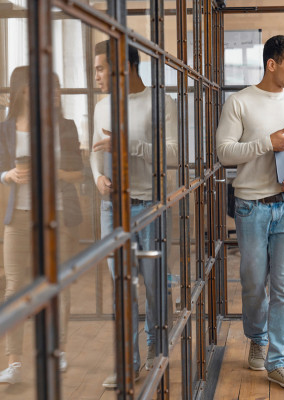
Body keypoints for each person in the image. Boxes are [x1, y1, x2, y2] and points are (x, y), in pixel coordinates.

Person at [216, 35, 284, 389]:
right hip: (250, 208)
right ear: (271, 64)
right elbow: (224, 153)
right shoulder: (240, 102)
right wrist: (266, 144)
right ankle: (257, 340)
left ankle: (277, 360)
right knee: (254, 284)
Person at [90, 40, 178, 388]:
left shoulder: (160, 102)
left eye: (100, 68)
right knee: (122, 289)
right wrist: (97, 176)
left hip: (150, 206)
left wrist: (129, 145)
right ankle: (128, 361)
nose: (96, 75)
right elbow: (96, 150)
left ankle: (157, 351)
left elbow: (172, 154)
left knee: (156, 288)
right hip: (113, 209)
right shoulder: (101, 107)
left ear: (123, 68)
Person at [0, 67, 83, 384]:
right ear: (20, 92)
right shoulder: (5, 129)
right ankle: (15, 362)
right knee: (15, 287)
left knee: (56, 284)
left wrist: (53, 171)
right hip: (18, 216)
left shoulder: (63, 126)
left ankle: (56, 351)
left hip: (55, 214)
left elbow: (78, 175)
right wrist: (8, 175)